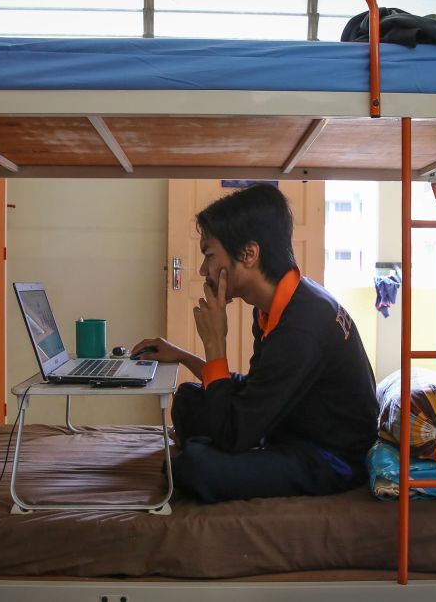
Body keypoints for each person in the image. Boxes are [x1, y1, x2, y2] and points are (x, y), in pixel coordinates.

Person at [132, 184, 379, 502]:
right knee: (189, 399)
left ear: (249, 254)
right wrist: (180, 356)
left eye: (209, 255)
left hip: (328, 458)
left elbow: (235, 434)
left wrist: (215, 344)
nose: (203, 269)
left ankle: (206, 452)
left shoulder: (301, 328)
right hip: (287, 422)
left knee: (193, 466)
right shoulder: (281, 302)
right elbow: (256, 390)